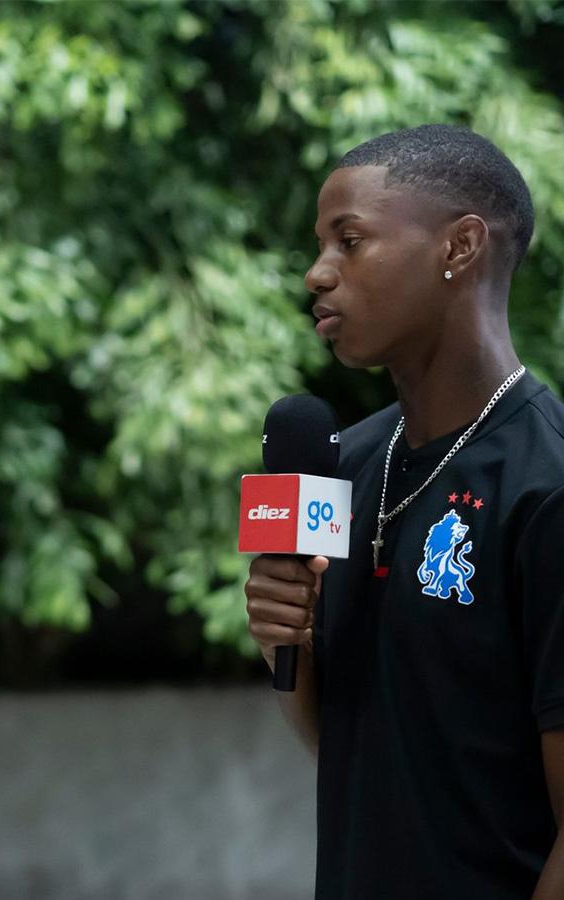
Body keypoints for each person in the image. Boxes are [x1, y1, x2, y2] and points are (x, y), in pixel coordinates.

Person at [244, 124, 564, 898]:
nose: (318, 275)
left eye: (348, 241)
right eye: (319, 246)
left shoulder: (546, 485)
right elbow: (354, 752)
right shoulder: (343, 463)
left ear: (460, 248)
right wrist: (286, 649)